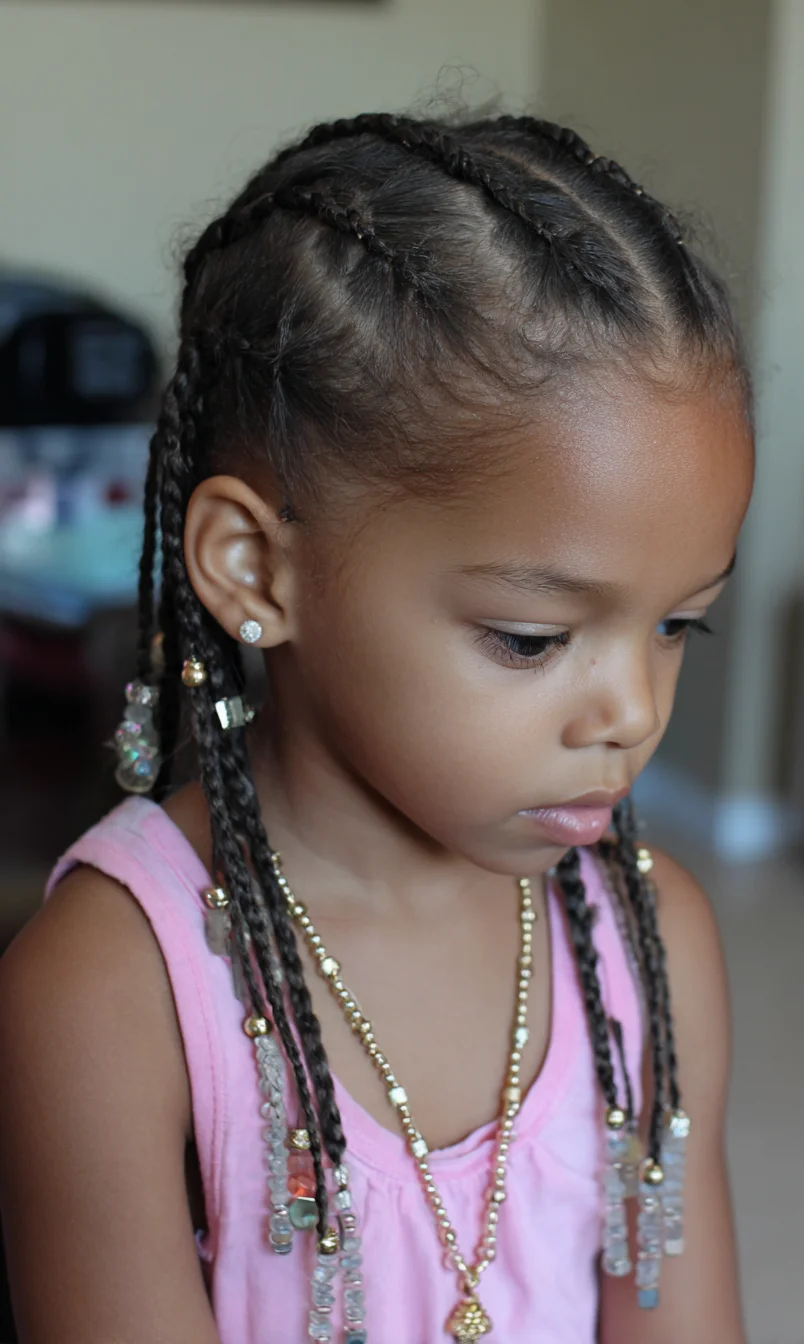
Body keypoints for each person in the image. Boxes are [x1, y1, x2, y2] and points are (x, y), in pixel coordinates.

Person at [0, 113, 753, 1344]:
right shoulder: (111, 990)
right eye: (529, 637)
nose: (632, 711)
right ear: (254, 568)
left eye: (679, 626)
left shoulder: (647, 939)